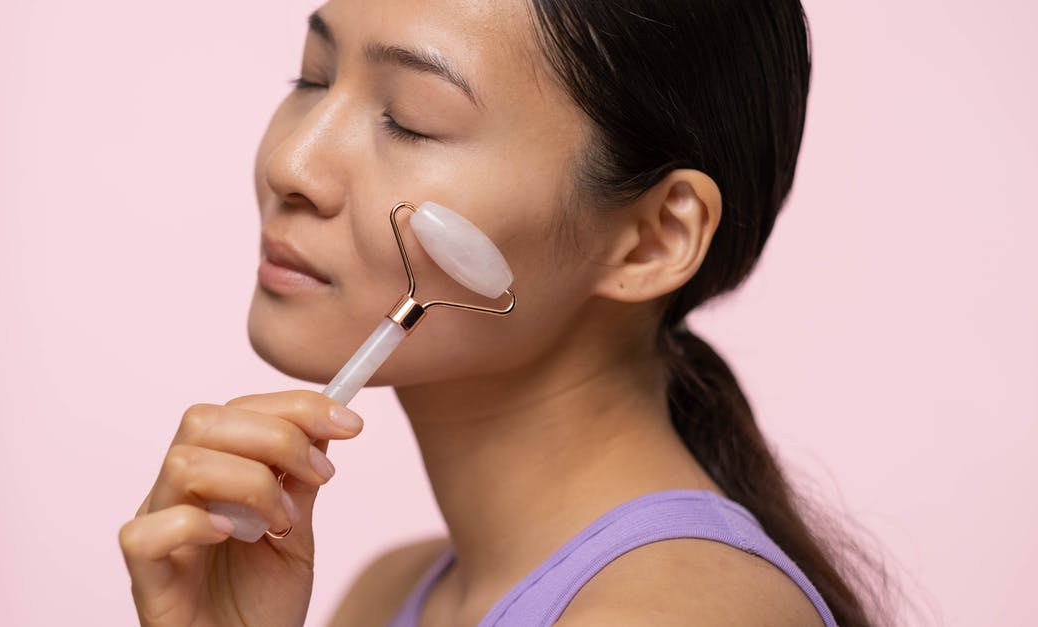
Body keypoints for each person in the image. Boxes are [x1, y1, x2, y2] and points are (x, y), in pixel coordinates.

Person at [119, 1, 883, 625]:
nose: (293, 163)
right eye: (313, 78)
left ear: (654, 237)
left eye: (412, 119)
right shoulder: (386, 597)